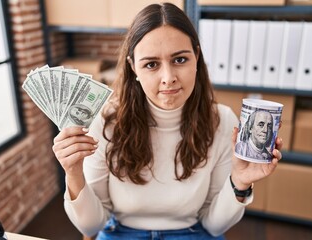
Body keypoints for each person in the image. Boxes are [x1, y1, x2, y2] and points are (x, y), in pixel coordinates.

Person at [52, 3, 283, 239]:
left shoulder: (222, 121)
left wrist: (240, 182)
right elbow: (91, 227)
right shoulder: (105, 121)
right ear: (133, 68)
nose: (168, 78)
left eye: (180, 60)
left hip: (193, 232)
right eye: (151, 64)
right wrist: (73, 173)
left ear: (196, 56)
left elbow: (213, 226)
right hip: (121, 232)